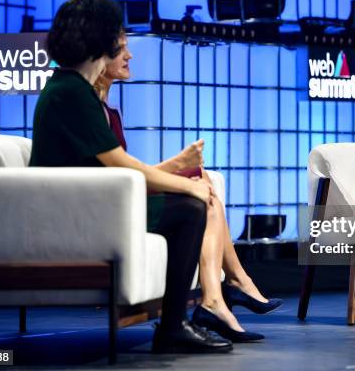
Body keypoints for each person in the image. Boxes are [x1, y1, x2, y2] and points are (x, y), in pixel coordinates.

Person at [29, 0, 232, 353]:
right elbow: (121, 165)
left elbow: (120, 167)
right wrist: (187, 187)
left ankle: (189, 315)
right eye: (119, 39)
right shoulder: (70, 92)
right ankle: (174, 326)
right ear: (101, 39)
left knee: (192, 200)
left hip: (94, 206)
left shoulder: (76, 91)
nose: (127, 50)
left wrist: (181, 178)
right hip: (79, 216)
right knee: (189, 209)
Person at [94, 33, 283, 342]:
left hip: (120, 194)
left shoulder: (108, 111)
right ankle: (229, 289)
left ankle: (226, 291)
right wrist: (180, 167)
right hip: (113, 205)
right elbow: (122, 173)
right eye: (122, 49)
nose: (130, 56)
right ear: (98, 56)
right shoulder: (84, 105)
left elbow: (125, 171)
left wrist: (183, 170)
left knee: (203, 182)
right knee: (201, 189)